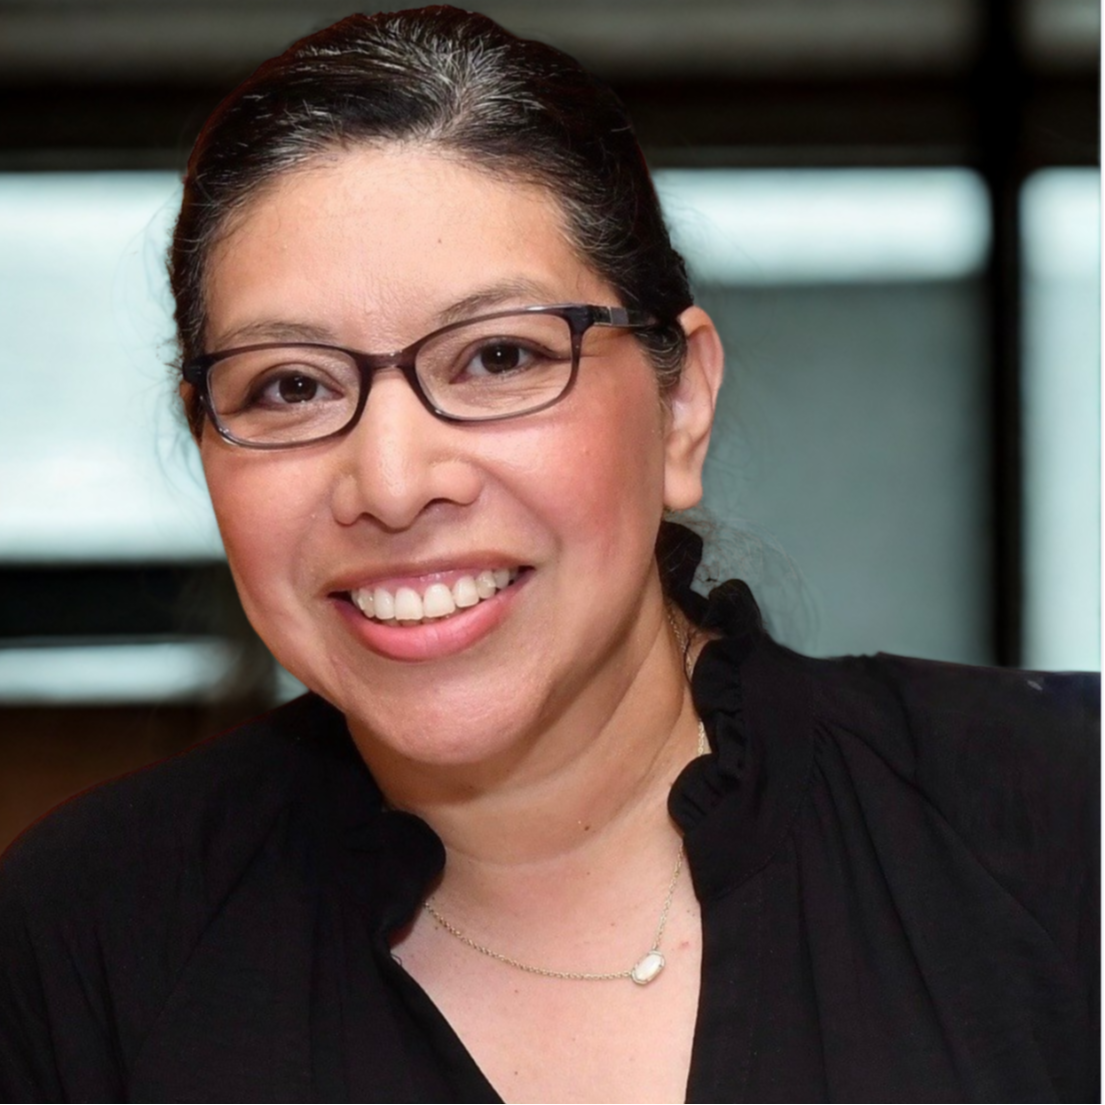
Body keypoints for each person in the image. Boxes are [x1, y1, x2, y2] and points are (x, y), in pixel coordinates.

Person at [0, 8, 1097, 1104]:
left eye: (498, 355)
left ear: (680, 408)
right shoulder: (86, 945)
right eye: (290, 386)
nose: (391, 482)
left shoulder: (1057, 818)